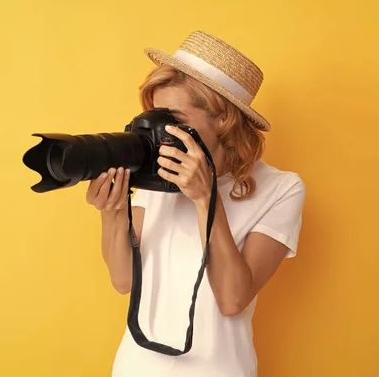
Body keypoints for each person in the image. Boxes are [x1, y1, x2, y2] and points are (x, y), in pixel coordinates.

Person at [85, 31, 306, 376]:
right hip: (136, 367)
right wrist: (112, 212)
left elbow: (232, 300)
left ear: (224, 118)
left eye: (174, 120)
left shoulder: (281, 188)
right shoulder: (157, 172)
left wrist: (206, 197)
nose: (161, 132)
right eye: (155, 117)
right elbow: (124, 280)